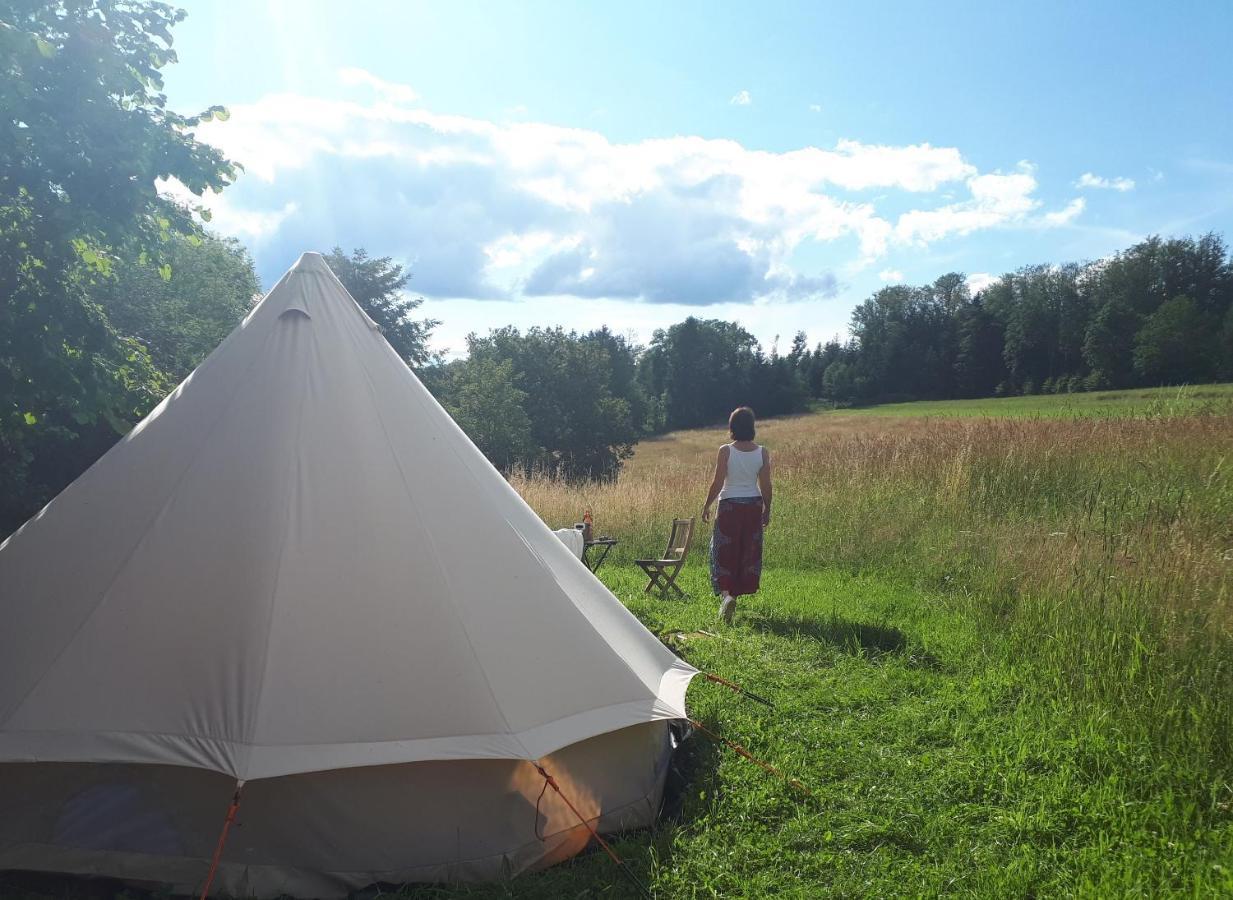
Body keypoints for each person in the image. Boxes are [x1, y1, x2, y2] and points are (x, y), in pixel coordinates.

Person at [702, 406, 771, 624]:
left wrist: (706, 505)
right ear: (752, 427)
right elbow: (766, 485)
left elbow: (718, 481)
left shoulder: (726, 451)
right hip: (753, 506)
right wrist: (767, 508)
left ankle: (727, 596)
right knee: (746, 552)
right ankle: (735, 595)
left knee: (722, 552)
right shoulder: (762, 452)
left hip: (729, 505)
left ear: (732, 427)